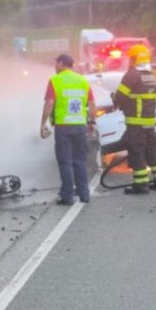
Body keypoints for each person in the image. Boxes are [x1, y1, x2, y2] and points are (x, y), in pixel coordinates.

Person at [40, 53, 96, 205]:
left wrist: (43, 123)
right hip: (80, 127)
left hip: (63, 127)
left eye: (56, 63)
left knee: (65, 162)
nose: (55, 66)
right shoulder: (83, 81)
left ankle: (67, 196)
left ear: (62, 63)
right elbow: (91, 104)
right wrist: (92, 122)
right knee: (80, 161)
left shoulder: (55, 80)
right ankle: (85, 195)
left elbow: (49, 103)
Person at [113, 44, 156, 194]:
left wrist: (115, 101)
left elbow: (120, 97)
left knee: (136, 151)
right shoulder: (151, 76)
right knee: (151, 150)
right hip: (149, 121)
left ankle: (140, 184)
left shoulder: (131, 75)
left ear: (134, 59)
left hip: (135, 122)